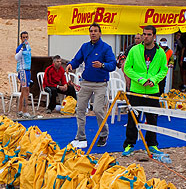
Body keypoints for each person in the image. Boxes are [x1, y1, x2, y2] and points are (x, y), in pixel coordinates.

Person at [121, 25, 170, 163]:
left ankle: (152, 144)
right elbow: (127, 68)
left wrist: (154, 80)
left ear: (154, 36)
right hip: (136, 90)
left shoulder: (160, 53)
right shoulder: (134, 50)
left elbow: (163, 70)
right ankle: (129, 145)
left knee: (152, 119)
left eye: (149, 34)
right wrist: (140, 79)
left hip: (153, 91)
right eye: (144, 34)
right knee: (133, 119)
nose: (146, 37)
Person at [65, 23, 116, 149]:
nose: (93, 33)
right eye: (91, 31)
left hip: (100, 84)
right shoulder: (85, 46)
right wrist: (71, 64)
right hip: (86, 82)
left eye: (95, 31)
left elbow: (113, 65)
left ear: (100, 33)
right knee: (80, 109)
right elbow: (77, 59)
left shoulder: (106, 48)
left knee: (98, 109)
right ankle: (81, 137)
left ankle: (104, 134)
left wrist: (102, 65)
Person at [14, 31, 33, 119]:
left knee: (25, 89)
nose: (25, 39)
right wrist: (22, 50)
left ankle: (20, 110)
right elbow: (16, 58)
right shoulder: (20, 48)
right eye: (23, 37)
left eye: (26, 37)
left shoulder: (28, 47)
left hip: (28, 70)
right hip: (22, 70)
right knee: (25, 90)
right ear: (21, 38)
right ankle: (25, 111)